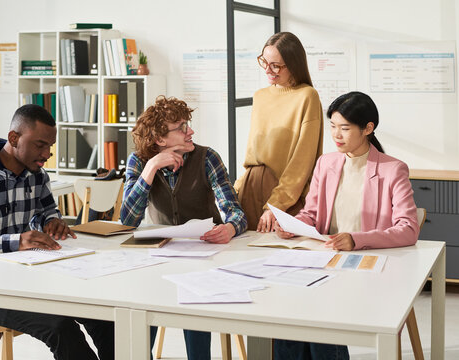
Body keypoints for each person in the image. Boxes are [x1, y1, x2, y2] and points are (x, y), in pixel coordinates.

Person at [0, 104, 114, 360]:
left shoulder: (36, 174)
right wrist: (13, 242)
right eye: (40, 145)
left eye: (50, 146)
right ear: (14, 138)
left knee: (104, 316)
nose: (47, 154)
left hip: (21, 280)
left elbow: (45, 211)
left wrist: (51, 221)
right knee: (59, 327)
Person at [273, 91, 419, 359]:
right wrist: (294, 225)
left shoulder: (392, 169)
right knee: (285, 311)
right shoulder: (326, 163)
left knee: (318, 312)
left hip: (367, 266)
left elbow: (408, 229)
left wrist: (356, 239)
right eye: (332, 127)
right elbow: (312, 214)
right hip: (325, 260)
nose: (336, 135)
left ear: (368, 128)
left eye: (344, 128)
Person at [120, 95, 247, 359]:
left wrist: (230, 228)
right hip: (158, 259)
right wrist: (152, 167)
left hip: (203, 257)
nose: (190, 131)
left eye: (187, 124)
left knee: (194, 297)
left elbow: (236, 212)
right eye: (181, 128)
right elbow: (128, 220)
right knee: (142, 304)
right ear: (159, 139)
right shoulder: (139, 161)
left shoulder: (207, 157)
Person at [234, 31, 323, 232]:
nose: (268, 70)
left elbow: (302, 163)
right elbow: (251, 156)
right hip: (249, 190)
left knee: (285, 259)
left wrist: (276, 205)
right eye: (264, 62)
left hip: (283, 198)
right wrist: (234, 192)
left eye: (276, 65)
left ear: (294, 64)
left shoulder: (307, 96)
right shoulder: (260, 96)